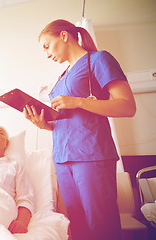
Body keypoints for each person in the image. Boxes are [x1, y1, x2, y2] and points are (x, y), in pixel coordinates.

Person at [23, 19, 136, 240]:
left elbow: (127, 106)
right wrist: (44, 124)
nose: (46, 54)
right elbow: (67, 121)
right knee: (78, 226)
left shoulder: (98, 59)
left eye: (47, 46)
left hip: (91, 155)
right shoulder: (61, 78)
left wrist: (79, 102)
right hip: (63, 158)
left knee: (101, 226)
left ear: (64, 36)